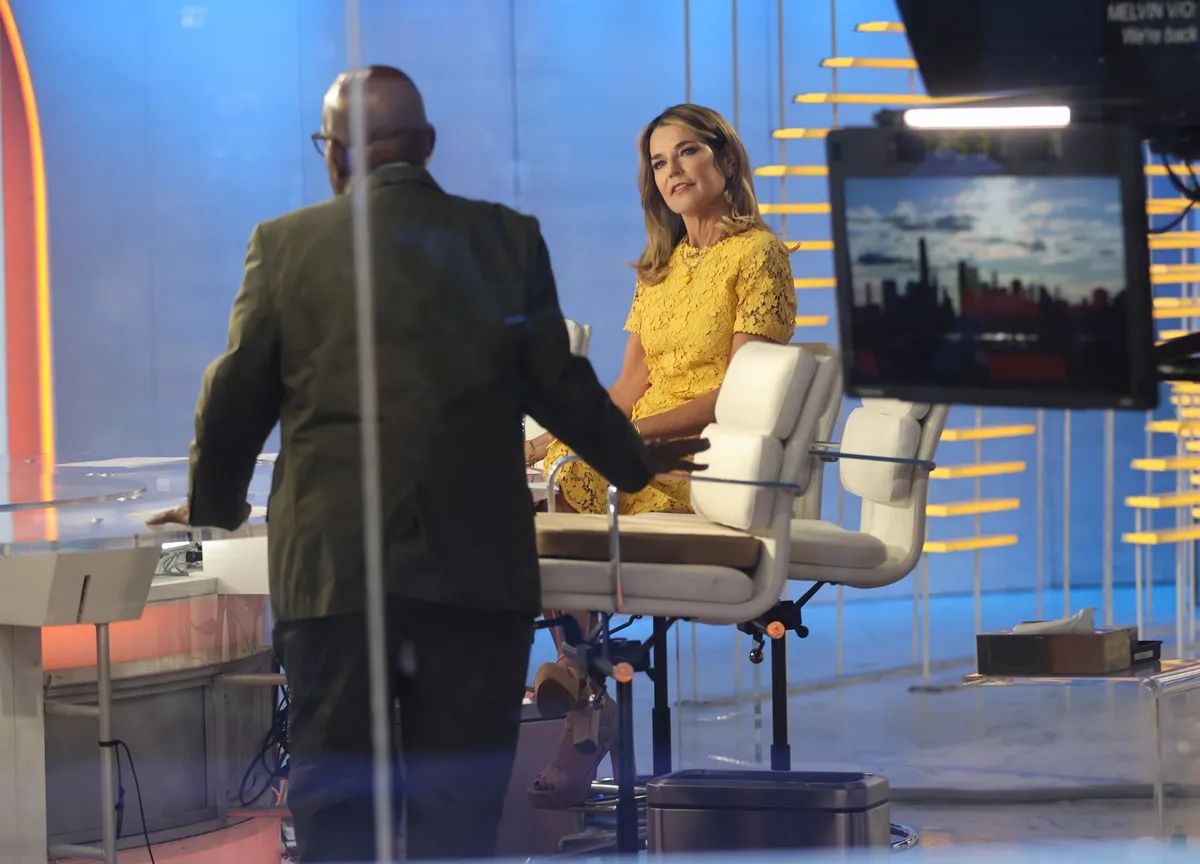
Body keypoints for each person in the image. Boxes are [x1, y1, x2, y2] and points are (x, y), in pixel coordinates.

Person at [147, 66, 708, 863]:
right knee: (460, 811)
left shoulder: (286, 246)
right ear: (429, 146)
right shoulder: (505, 238)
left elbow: (233, 396)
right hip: (475, 571)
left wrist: (217, 505)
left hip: (337, 573)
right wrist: (632, 466)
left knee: (339, 805)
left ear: (335, 154)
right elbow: (563, 389)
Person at [523, 103, 797, 809]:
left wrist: (624, 441)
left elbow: (737, 396)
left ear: (725, 160)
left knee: (570, 487)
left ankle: (580, 695)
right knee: (538, 482)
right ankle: (583, 683)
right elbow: (629, 387)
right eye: (658, 162)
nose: (672, 171)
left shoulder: (758, 256)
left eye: (687, 154)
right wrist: (557, 435)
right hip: (631, 448)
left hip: (702, 455)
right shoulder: (658, 268)